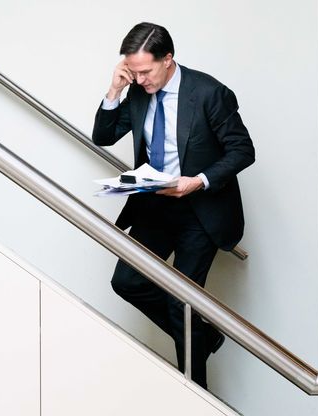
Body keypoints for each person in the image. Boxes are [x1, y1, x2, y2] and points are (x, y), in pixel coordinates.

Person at [91, 22, 255, 389]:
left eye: (146, 71)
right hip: (154, 206)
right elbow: (102, 136)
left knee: (181, 306)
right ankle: (205, 336)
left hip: (201, 211)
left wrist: (198, 181)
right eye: (133, 72)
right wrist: (116, 88)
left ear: (168, 60)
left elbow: (243, 150)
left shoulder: (209, 93)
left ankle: (197, 399)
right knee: (127, 281)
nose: (141, 79)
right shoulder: (134, 90)